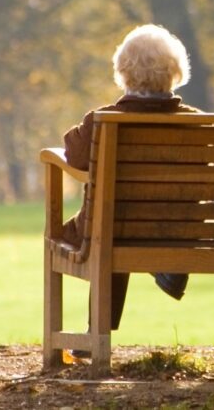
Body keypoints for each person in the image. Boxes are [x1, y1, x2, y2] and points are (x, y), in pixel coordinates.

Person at [60, 24, 199, 334]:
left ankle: (98, 333)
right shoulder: (196, 123)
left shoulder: (102, 121)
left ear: (123, 71)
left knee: (106, 220)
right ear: (175, 70)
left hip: (111, 229)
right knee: (117, 217)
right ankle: (167, 265)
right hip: (173, 232)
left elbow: (75, 155)